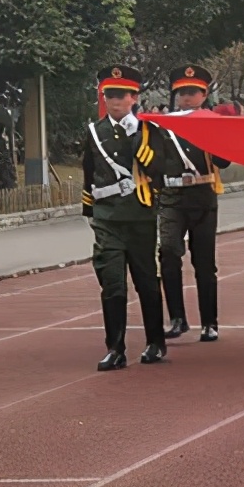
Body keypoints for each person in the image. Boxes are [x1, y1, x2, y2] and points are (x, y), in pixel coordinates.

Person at [81, 66, 168, 371]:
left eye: (121, 96)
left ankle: (155, 341)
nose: (115, 101)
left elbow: (160, 169)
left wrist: (139, 142)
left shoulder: (148, 131)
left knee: (146, 282)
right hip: (108, 219)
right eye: (110, 96)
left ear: (134, 98)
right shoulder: (95, 131)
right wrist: (90, 212)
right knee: (112, 283)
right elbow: (89, 171)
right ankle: (115, 348)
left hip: (140, 216)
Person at [158, 65, 232, 343]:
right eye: (182, 93)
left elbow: (224, 160)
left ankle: (209, 322)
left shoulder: (212, 122)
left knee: (204, 263)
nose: (187, 98)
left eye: (193, 92)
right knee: (168, 254)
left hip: (202, 196)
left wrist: (211, 134)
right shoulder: (163, 125)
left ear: (204, 94)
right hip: (172, 197)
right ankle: (177, 318)